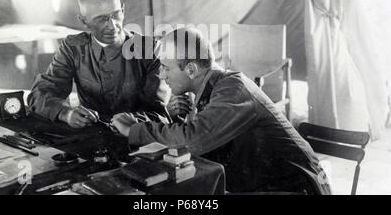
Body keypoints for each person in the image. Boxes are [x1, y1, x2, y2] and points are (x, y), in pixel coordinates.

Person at [111, 27, 331, 194]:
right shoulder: (214, 89)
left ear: (190, 69)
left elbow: (195, 141)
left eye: (166, 68)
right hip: (269, 184)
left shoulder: (233, 89)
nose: (161, 75)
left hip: (297, 189)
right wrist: (178, 118)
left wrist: (135, 130)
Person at [27, 0, 170, 128]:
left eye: (116, 14)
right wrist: (66, 113)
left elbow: (161, 115)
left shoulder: (149, 50)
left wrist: (128, 124)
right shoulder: (73, 48)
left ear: (123, 10)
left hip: (138, 140)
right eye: (101, 19)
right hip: (89, 135)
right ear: (84, 21)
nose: (112, 26)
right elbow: (41, 93)